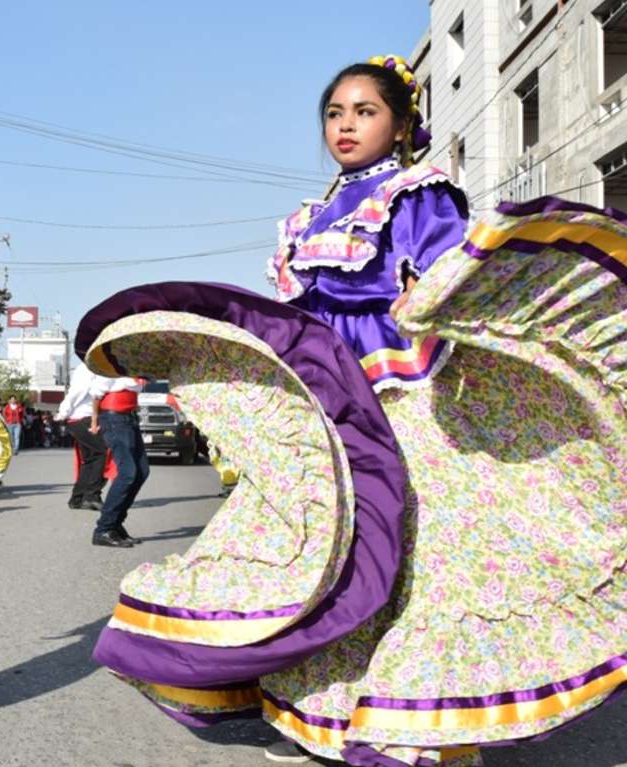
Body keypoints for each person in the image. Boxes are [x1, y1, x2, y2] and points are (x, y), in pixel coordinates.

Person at [82, 54, 627, 767]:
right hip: (328, 397)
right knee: (319, 542)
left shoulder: (417, 192)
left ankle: (418, 718)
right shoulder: (307, 217)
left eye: (364, 111)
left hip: (402, 390)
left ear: (400, 125)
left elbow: (446, 274)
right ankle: (320, 711)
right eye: (335, 113)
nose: (345, 125)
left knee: (417, 555)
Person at [89, 374, 148, 548]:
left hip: (129, 418)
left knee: (142, 471)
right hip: (114, 418)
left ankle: (115, 524)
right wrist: (94, 420)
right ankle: (103, 529)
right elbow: (96, 394)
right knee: (128, 473)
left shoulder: (136, 366)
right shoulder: (111, 364)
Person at [56, 363, 110, 511]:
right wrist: (63, 411)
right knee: (101, 453)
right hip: (82, 417)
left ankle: (77, 498)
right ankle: (91, 495)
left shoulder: (92, 366)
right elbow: (78, 391)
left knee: (90, 459)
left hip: (82, 417)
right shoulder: (89, 367)